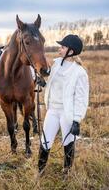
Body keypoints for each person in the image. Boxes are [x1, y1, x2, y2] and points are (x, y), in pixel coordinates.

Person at [38, 34, 89, 178]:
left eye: (63, 47)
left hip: (68, 113)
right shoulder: (56, 64)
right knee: (45, 140)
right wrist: (44, 84)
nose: (59, 49)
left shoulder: (79, 73)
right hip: (52, 110)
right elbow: (55, 86)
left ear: (71, 51)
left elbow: (81, 98)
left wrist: (76, 120)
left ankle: (66, 172)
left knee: (68, 142)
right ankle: (40, 172)